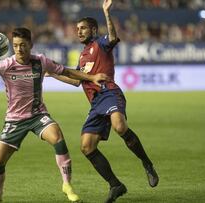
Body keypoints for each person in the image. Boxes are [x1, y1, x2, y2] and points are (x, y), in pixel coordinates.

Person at [0, 27, 109, 203]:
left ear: (30, 44)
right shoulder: (5, 65)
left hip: (38, 115)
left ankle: (67, 185)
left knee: (58, 138)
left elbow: (67, 71)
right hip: (14, 120)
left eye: (22, 45)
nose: (19, 49)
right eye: (15, 45)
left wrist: (91, 78)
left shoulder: (41, 61)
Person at [49, 0, 159, 202]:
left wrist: (106, 13)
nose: (79, 32)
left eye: (83, 28)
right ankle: (116, 185)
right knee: (86, 147)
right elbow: (75, 81)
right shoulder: (82, 56)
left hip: (109, 93)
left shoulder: (100, 43)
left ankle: (147, 163)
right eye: (77, 29)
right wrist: (53, 74)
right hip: (95, 104)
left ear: (93, 29)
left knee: (119, 126)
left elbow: (114, 36)